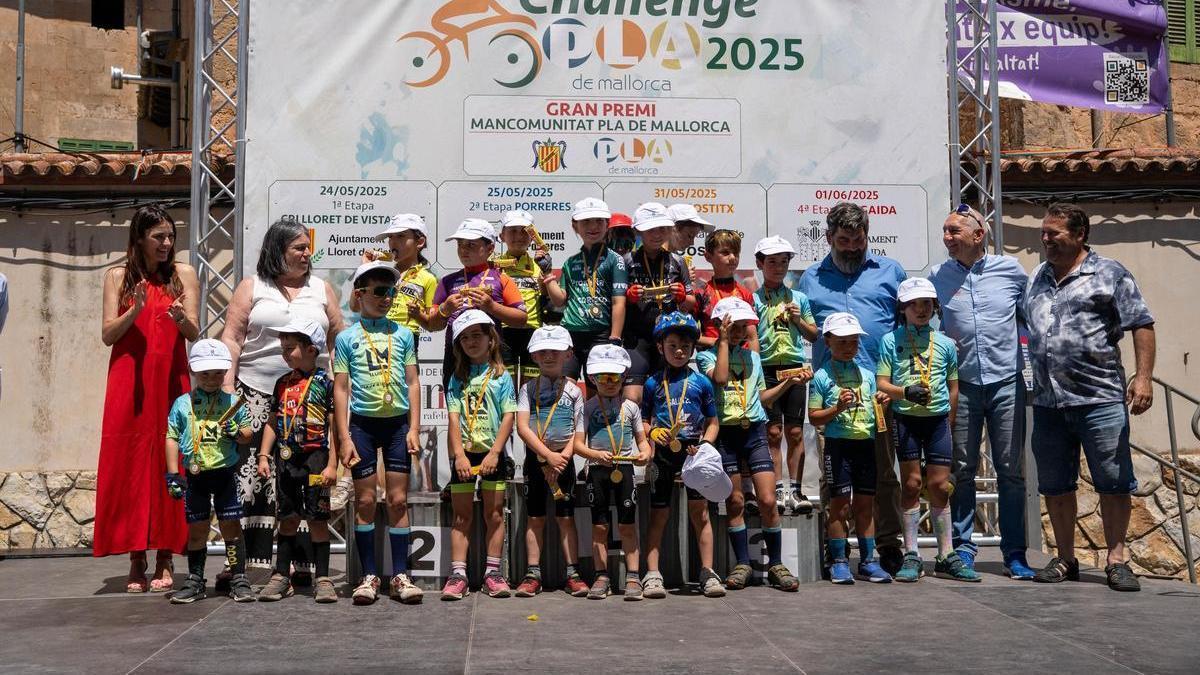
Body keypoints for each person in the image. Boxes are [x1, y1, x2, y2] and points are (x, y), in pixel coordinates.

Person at [1025, 203, 1155, 592]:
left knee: (1113, 481)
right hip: (1048, 402)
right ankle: (1066, 558)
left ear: (1080, 235)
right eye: (1044, 233)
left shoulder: (1110, 273)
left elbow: (1141, 324)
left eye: (1054, 233)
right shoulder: (1037, 276)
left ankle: (1117, 559)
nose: (1046, 239)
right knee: (1055, 484)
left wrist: (1143, 378)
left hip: (1099, 399)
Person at [221, 217, 344, 584]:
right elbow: (232, 339)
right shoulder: (251, 287)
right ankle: (243, 568)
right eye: (299, 248)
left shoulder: (322, 289)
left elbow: (339, 340)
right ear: (277, 251)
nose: (308, 253)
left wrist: (341, 388)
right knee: (252, 483)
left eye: (308, 247)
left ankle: (303, 570)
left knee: (305, 481)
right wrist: (228, 396)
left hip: (311, 403)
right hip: (255, 396)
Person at [95, 204, 199, 593]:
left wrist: (180, 319)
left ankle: (166, 555)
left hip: (172, 379)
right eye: (159, 237)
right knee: (130, 463)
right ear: (139, 239)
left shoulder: (183, 274)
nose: (167, 244)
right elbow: (108, 334)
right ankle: (136, 555)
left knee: (172, 461)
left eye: (171, 237)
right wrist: (134, 310)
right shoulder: (117, 277)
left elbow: (193, 332)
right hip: (130, 381)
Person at [799, 202, 907, 574]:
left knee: (883, 473)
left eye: (858, 240)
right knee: (835, 477)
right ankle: (837, 549)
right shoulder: (810, 279)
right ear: (828, 238)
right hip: (831, 394)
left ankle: (888, 546)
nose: (851, 247)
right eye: (843, 240)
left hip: (878, 390)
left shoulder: (891, 272)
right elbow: (807, 332)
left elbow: (905, 329)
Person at [929, 204, 1035, 579]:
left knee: (1010, 472)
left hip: (1007, 382)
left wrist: (1033, 375)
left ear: (979, 235)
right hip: (962, 385)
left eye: (954, 231)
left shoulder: (1012, 272)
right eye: (945, 230)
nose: (947, 237)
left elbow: (1029, 322)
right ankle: (963, 548)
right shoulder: (936, 276)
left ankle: (1015, 554)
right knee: (961, 468)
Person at [696, 297, 803, 592]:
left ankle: (777, 564)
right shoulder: (707, 356)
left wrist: (789, 383)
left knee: (768, 500)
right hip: (727, 433)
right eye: (737, 326)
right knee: (735, 501)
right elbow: (719, 378)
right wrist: (722, 341)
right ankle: (742, 563)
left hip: (754, 430)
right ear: (721, 325)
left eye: (746, 326)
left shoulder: (753, 357)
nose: (742, 331)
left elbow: (762, 398)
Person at [334, 262, 423, 606]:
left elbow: (414, 382)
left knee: (399, 501)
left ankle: (401, 575)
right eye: (379, 291)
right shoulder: (346, 337)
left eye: (392, 292)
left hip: (398, 424)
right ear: (360, 294)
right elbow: (341, 390)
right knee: (367, 501)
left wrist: (414, 428)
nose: (387, 298)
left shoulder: (403, 334)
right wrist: (344, 437)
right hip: (363, 426)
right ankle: (369, 576)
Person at [876, 278, 976, 582]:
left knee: (939, 485)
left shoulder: (945, 343)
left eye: (926, 304)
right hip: (906, 419)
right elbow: (882, 383)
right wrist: (905, 392)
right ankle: (912, 554)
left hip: (937, 421)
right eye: (914, 304)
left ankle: (946, 555)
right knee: (910, 484)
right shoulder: (890, 341)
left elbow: (953, 386)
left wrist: (951, 420)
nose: (920, 310)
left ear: (935, 308)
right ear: (902, 308)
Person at [164, 339, 254, 603]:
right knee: (197, 529)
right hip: (195, 476)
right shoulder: (182, 404)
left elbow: (248, 432)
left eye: (218, 373)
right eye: (205, 373)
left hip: (225, 473)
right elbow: (171, 436)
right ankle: (195, 579)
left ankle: (238, 576)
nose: (213, 379)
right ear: (193, 371)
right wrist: (172, 474)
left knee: (231, 526)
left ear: (226, 372)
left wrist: (238, 433)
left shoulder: (233, 401)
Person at [641, 312, 724, 598]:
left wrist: (705, 446)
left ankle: (707, 572)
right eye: (673, 345)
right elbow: (644, 421)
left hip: (693, 453)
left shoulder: (702, 382)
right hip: (664, 452)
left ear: (693, 349)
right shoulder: (652, 383)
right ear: (660, 347)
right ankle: (652, 574)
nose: (679, 351)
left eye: (685, 347)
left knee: (700, 514)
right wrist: (651, 434)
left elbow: (713, 423)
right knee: (658, 514)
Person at [255, 319, 339, 603]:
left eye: (290, 348)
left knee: (317, 518)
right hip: (286, 460)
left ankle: (324, 578)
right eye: (283, 348)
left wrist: (332, 464)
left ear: (312, 349)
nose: (285, 354)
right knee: (287, 518)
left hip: (317, 458)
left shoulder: (325, 383)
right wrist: (264, 454)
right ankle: (281, 576)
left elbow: (335, 425)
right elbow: (271, 421)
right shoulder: (281, 383)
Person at [808, 313, 893, 584]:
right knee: (840, 506)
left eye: (854, 341)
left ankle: (868, 561)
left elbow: (874, 409)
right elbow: (814, 417)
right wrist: (837, 408)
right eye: (842, 341)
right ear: (828, 341)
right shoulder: (821, 376)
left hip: (865, 444)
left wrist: (882, 402)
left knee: (866, 506)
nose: (849, 347)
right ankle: (839, 561)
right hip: (838, 446)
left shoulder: (868, 375)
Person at [442, 310, 518, 600]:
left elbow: (509, 417)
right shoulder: (456, 378)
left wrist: (496, 454)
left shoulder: (501, 375)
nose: (471, 341)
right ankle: (458, 574)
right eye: (465, 338)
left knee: (494, 514)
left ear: (490, 339)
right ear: (458, 344)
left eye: (477, 335)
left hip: (491, 456)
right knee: (461, 516)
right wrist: (459, 455)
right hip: (466, 456)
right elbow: (453, 420)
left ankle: (493, 573)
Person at [513, 325, 589, 598]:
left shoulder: (575, 391)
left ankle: (573, 574)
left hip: (564, 462)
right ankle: (533, 574)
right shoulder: (527, 389)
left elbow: (580, 431)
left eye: (554, 352)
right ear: (533, 356)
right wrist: (547, 456)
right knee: (535, 518)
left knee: (566, 519)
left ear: (568, 355)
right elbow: (522, 427)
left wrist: (564, 457)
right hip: (537, 461)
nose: (548, 356)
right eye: (542, 352)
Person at [573, 344, 651, 600]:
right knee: (599, 527)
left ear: (623, 377)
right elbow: (578, 446)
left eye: (614, 377)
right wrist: (595, 455)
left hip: (624, 470)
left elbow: (642, 443)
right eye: (602, 377)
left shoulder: (631, 408)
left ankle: (632, 577)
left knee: (628, 526)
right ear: (592, 379)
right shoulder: (587, 407)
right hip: (597, 472)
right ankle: (601, 576)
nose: (608, 382)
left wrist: (645, 454)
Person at [752, 235, 817, 516]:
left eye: (783, 262)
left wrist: (797, 319)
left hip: (794, 366)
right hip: (766, 368)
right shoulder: (752, 298)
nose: (778, 268)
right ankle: (777, 489)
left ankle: (798, 490)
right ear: (759, 264)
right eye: (772, 262)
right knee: (772, 432)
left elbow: (814, 335)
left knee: (794, 431)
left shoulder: (799, 298)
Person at [422, 218, 527, 389]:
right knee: (456, 407)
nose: (463, 250)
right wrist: (444, 310)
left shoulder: (502, 279)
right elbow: (432, 325)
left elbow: (522, 319)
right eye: (460, 245)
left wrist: (492, 307)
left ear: (490, 248)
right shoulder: (447, 281)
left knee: (494, 406)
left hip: (491, 353)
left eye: (471, 245)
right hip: (456, 353)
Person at [542, 197, 627, 384]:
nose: (593, 226)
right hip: (570, 334)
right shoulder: (570, 262)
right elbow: (559, 300)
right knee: (564, 389)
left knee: (597, 391)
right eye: (586, 221)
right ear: (575, 226)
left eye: (598, 221)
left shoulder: (615, 260)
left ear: (607, 225)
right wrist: (547, 275)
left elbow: (618, 302)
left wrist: (615, 337)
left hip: (601, 335)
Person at [622, 202, 693, 404]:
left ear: (670, 230)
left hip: (668, 339)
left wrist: (682, 297)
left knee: (668, 397)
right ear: (638, 231)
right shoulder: (626, 261)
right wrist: (628, 298)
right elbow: (614, 304)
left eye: (662, 228)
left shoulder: (678, 262)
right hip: (636, 340)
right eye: (650, 229)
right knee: (631, 398)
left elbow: (690, 302)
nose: (657, 234)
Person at [362, 213, 438, 356]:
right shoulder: (382, 274)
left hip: (407, 338)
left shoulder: (428, 278)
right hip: (376, 334)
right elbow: (356, 306)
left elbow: (431, 324)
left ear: (420, 242)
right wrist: (367, 269)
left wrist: (418, 314)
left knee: (407, 378)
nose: (393, 242)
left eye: (401, 236)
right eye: (391, 237)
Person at [495, 210, 553, 387]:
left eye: (524, 231)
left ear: (532, 237)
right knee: (506, 387)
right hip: (503, 330)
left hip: (532, 330)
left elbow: (547, 298)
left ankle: (526, 416)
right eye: (512, 231)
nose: (519, 236)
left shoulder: (540, 264)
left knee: (530, 389)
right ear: (502, 236)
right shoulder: (494, 265)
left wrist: (546, 273)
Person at [695, 229, 757, 351]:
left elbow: (752, 337)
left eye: (736, 253)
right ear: (708, 256)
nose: (733, 258)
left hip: (741, 362)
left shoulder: (745, 293)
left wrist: (755, 366)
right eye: (725, 253)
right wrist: (718, 342)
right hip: (712, 359)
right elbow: (690, 334)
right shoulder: (701, 293)